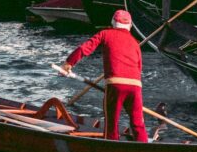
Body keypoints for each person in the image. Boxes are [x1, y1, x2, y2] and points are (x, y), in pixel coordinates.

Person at [60, 9, 148, 143]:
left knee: (112, 123)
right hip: (135, 86)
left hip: (115, 84)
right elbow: (139, 66)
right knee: (138, 124)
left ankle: (111, 150)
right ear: (130, 26)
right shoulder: (135, 42)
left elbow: (84, 48)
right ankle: (145, 150)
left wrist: (68, 63)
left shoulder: (105, 33)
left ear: (113, 23)